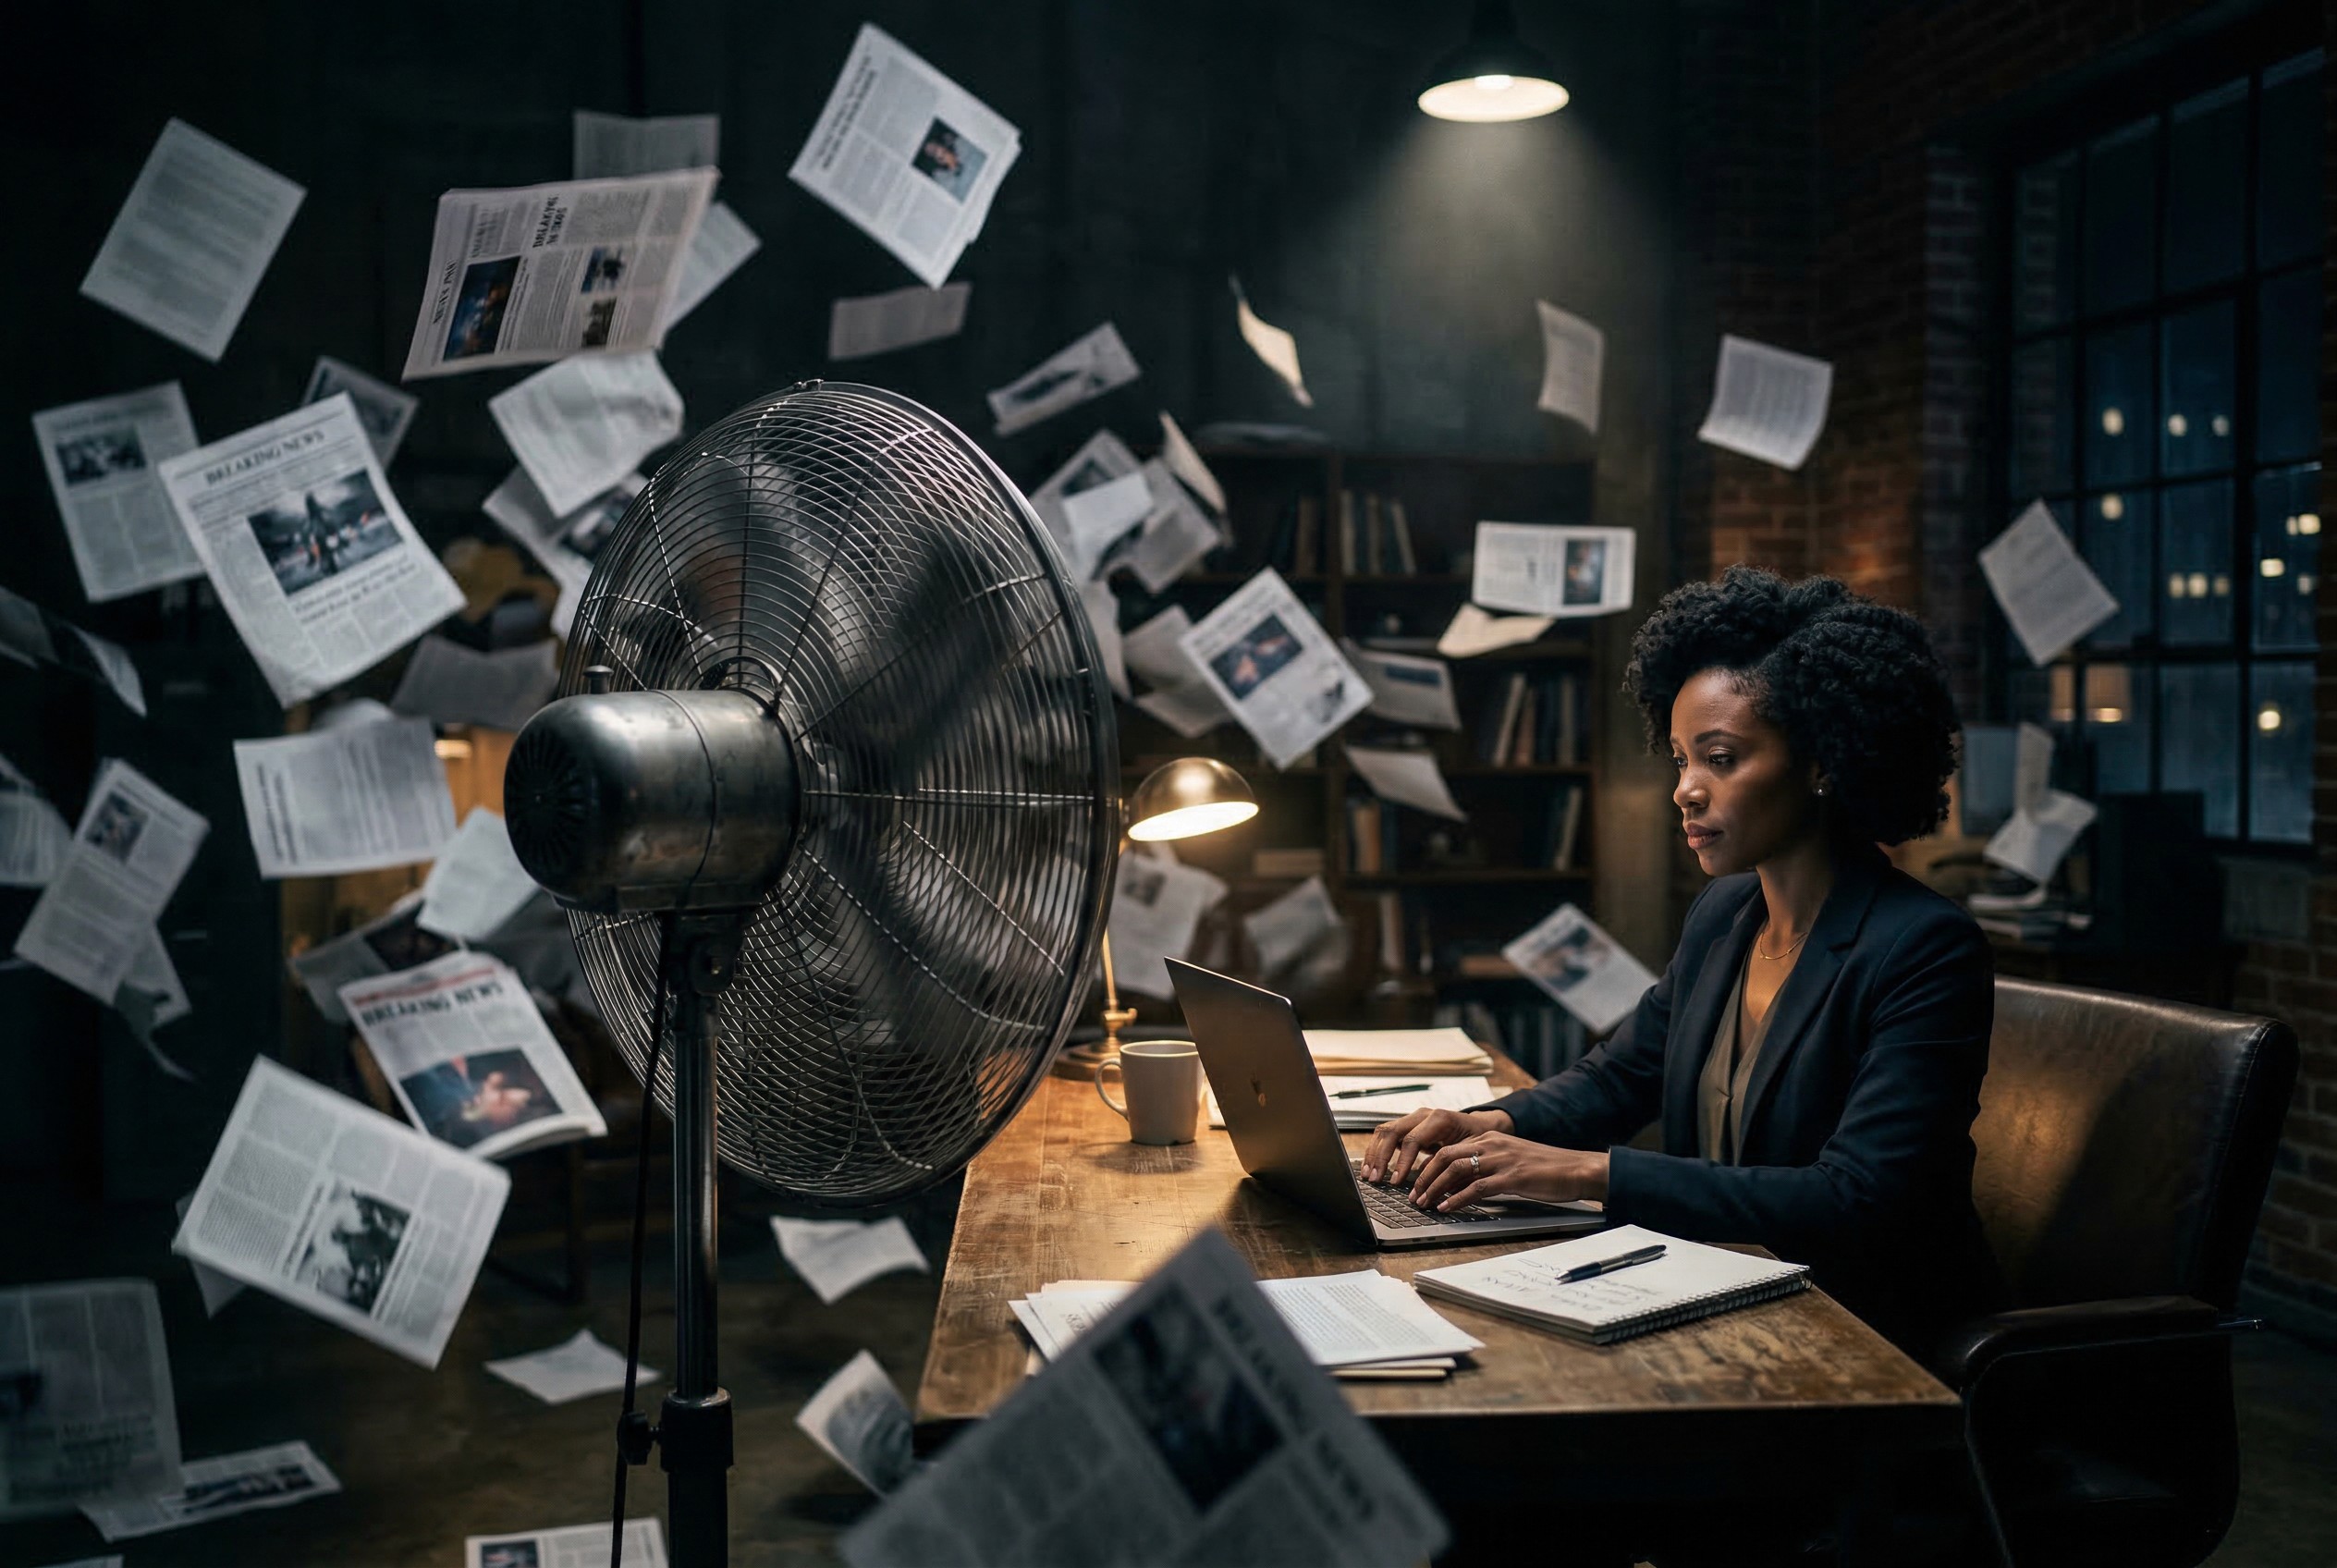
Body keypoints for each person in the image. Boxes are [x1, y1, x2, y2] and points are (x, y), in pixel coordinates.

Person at [1363, 565, 2001, 1358]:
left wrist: (1587, 1174)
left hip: (1868, 1337)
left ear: (1823, 763)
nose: (1685, 792)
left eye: (1721, 759)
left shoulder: (1924, 947)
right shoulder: (1727, 914)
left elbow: (1859, 1199)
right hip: (1723, 1295)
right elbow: (1618, 1077)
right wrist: (1492, 1122)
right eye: (1679, 759)